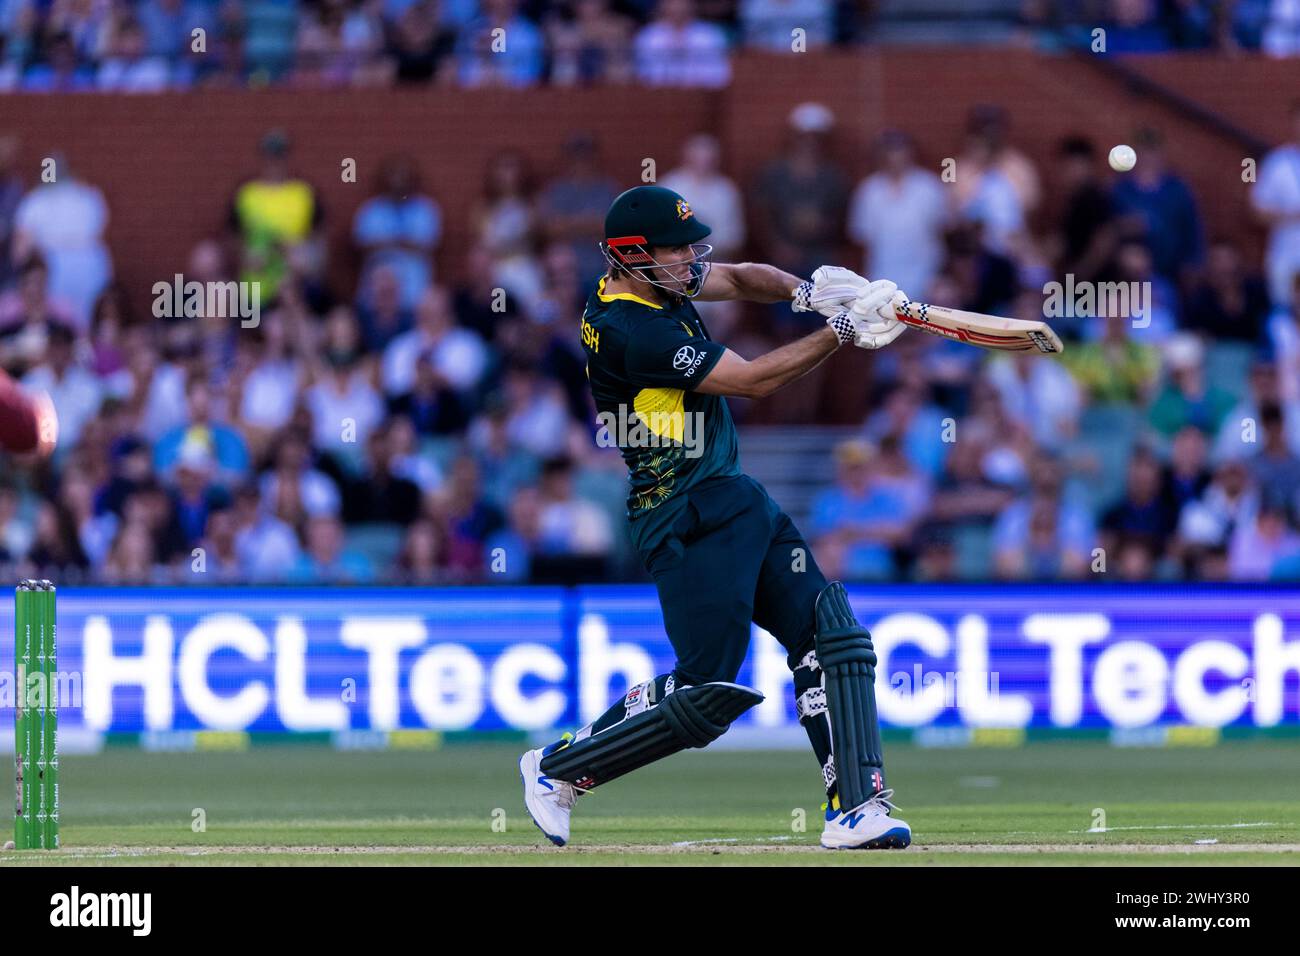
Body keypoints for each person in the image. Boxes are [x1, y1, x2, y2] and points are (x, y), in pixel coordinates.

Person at [517, 184, 912, 851]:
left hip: (731, 493)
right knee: (706, 690)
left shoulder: (653, 280)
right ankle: (557, 769)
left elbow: (732, 276)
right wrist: (842, 331)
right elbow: (754, 380)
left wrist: (808, 292)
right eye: (678, 251)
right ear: (631, 257)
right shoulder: (632, 330)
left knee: (830, 633)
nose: (691, 259)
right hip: (682, 512)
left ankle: (856, 808)